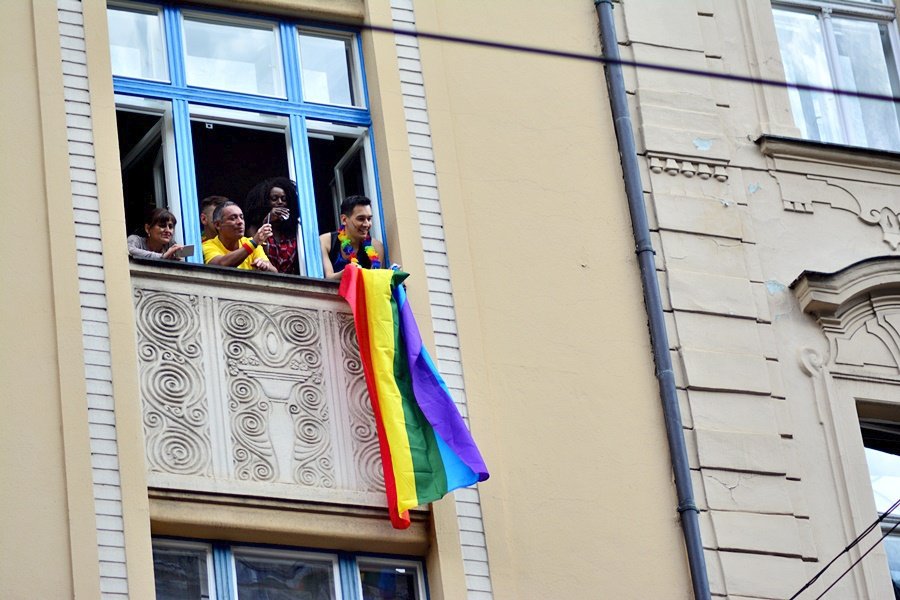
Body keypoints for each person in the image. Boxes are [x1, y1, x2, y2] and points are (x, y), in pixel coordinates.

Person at [319, 195, 387, 281]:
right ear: (344, 220)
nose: (366, 224)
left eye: (369, 219)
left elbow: (374, 281)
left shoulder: (376, 247)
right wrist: (348, 271)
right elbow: (328, 278)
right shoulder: (326, 241)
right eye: (361, 219)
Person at [202, 200, 277, 272]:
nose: (240, 222)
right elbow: (220, 264)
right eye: (233, 218)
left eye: (241, 217)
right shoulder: (207, 246)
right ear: (218, 225)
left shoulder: (249, 242)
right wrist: (253, 243)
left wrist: (265, 266)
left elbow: (274, 272)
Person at [245, 178, 299, 274]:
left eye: (284, 199)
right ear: (265, 202)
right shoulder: (254, 229)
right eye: (274, 199)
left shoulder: (293, 232)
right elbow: (259, 252)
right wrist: (268, 219)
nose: (280, 202)